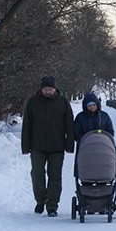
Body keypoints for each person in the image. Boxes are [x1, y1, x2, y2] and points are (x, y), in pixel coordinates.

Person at [21, 76, 74, 216]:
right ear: (42, 89)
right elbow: (27, 125)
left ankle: (52, 206)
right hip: (37, 146)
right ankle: (40, 200)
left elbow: (69, 125)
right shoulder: (33, 103)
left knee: (55, 177)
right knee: (37, 175)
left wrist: (69, 145)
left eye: (50, 89)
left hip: (57, 147)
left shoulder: (63, 103)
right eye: (46, 89)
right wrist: (25, 147)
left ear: (55, 89)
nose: (48, 91)